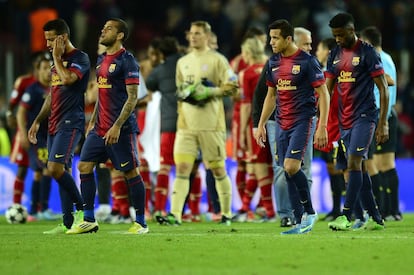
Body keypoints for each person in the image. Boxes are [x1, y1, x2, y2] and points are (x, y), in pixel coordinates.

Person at [66, 18, 148, 234]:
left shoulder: (128, 61)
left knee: (130, 172)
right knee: (84, 166)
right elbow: (103, 96)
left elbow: (132, 98)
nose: (103, 31)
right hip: (99, 128)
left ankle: (140, 222)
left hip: (120, 129)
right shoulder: (101, 60)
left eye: (109, 29)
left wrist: (117, 125)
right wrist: (93, 120)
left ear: (120, 35)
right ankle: (89, 219)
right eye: (103, 28)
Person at [158, 20, 238, 225]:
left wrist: (209, 91)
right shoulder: (182, 62)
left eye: (198, 33)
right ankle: (175, 215)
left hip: (211, 125)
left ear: (208, 37)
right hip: (186, 125)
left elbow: (232, 86)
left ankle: (227, 213)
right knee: (183, 168)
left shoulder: (218, 60)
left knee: (218, 169)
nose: (193, 36)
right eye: (191, 33)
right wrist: (187, 94)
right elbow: (180, 91)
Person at [255, 19, 330, 234]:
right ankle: (299, 221)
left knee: (290, 166)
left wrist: (322, 125)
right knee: (286, 170)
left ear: (288, 38)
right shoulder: (273, 63)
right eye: (270, 38)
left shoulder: (307, 62)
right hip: (280, 123)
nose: (271, 42)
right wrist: (260, 124)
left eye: (275, 38)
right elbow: (270, 96)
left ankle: (309, 211)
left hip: (302, 121)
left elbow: (323, 93)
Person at [325, 13, 389, 231]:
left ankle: (346, 216)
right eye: (335, 35)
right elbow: (328, 88)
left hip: (365, 116)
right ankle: (376, 216)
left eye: (341, 35)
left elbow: (383, 88)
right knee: (358, 168)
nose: (337, 39)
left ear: (352, 30)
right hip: (345, 121)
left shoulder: (367, 52)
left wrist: (383, 123)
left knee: (353, 163)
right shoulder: (334, 54)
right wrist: (322, 119)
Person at [28, 18, 88, 234]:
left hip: (71, 122)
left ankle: (84, 212)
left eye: (51, 40)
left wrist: (56, 57)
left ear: (63, 38)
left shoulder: (80, 58)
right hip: (54, 123)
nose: (48, 45)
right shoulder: (57, 61)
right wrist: (37, 120)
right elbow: (52, 95)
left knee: (54, 168)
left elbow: (68, 80)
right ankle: (68, 222)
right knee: (63, 170)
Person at [359, 26, 401, 221]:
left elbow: (379, 90)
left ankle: (381, 208)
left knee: (370, 163)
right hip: (390, 115)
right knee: (386, 164)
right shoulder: (388, 58)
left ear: (367, 42)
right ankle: (393, 210)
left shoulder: (375, 61)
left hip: (377, 115)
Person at [233, 37, 275, 222]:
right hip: (274, 120)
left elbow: (246, 105)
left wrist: (242, 131)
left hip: (256, 122)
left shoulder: (246, 73)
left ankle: (270, 211)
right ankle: (245, 207)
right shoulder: (271, 65)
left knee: (257, 166)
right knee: (265, 166)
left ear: (247, 53)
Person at [16, 52, 58, 221]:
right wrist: (23, 134)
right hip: (36, 136)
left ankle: (36, 209)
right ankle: (42, 208)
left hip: (51, 134)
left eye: (50, 68)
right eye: (45, 68)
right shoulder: (33, 89)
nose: (48, 72)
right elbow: (20, 112)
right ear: (38, 71)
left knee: (41, 172)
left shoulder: (55, 88)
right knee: (45, 169)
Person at [314, 37, 346, 221]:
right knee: (331, 169)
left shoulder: (335, 74)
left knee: (341, 169)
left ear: (327, 51)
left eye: (319, 48)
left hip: (336, 127)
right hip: (325, 126)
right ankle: (335, 209)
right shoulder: (321, 73)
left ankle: (347, 209)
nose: (317, 52)